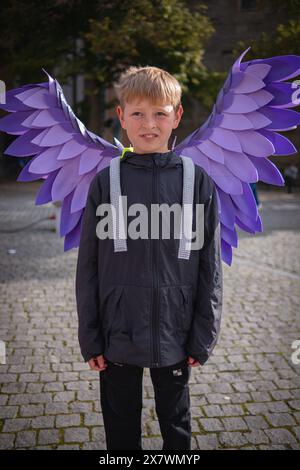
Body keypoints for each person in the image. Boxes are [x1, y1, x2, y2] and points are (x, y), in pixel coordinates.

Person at [75, 66, 223, 450]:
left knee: (176, 426)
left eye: (160, 113)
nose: (149, 124)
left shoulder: (198, 182)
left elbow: (210, 266)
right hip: (117, 334)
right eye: (137, 113)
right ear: (121, 117)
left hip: (176, 331)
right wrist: (91, 337)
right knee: (121, 428)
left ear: (177, 115)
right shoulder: (106, 182)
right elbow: (88, 265)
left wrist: (202, 335)